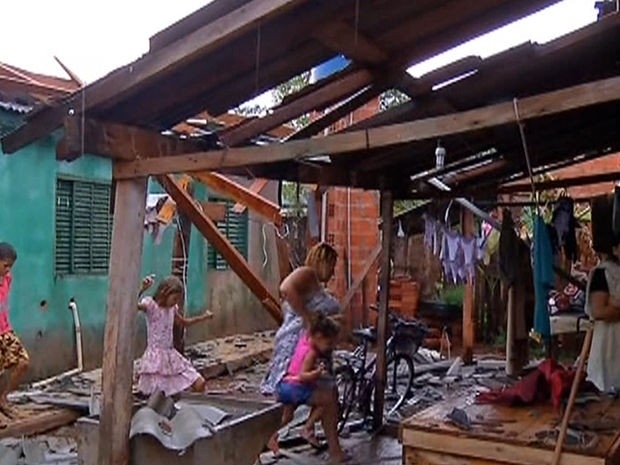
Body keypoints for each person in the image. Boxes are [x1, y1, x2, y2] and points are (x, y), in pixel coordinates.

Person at [262, 243, 349, 463]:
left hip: (315, 351)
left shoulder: (316, 287)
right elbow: (286, 287)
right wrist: (307, 317)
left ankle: (329, 446)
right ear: (323, 261)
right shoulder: (307, 274)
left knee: (295, 407)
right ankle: (333, 450)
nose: (333, 271)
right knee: (326, 399)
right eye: (332, 265)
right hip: (299, 350)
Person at [267, 312, 339, 453]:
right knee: (327, 399)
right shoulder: (311, 353)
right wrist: (317, 373)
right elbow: (303, 375)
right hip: (296, 387)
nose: (330, 347)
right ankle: (307, 428)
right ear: (318, 336)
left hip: (285, 385)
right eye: (328, 343)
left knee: (287, 417)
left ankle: (270, 435)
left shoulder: (304, 339)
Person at [137, 275, 213, 397]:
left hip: (171, 355)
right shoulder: (151, 306)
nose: (176, 302)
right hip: (156, 359)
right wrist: (141, 289)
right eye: (174, 298)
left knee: (199, 383)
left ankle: (189, 408)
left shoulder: (172, 309)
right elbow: (133, 306)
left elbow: (184, 322)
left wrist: (203, 317)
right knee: (160, 396)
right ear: (164, 293)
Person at [585, 232, 620, 392]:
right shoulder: (603, 273)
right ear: (615, 249)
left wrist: (615, 304)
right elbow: (598, 311)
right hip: (608, 342)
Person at [0, 242, 29, 419]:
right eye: (5, 265)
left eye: (10, 266)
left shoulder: (7, 280)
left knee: (23, 362)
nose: (8, 270)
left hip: (5, 331)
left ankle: (3, 399)